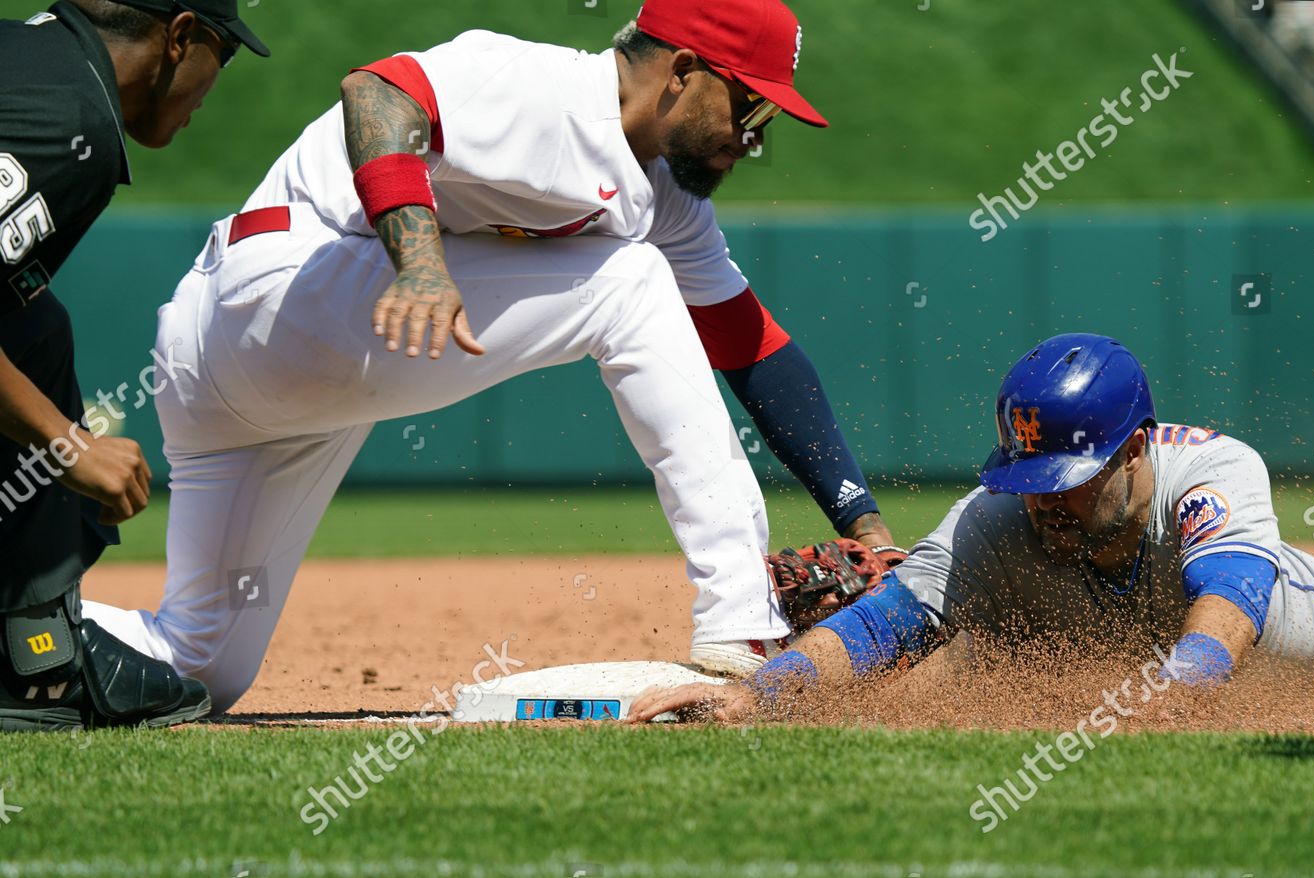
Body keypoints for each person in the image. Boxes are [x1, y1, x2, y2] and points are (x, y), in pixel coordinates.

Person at [83, 0, 902, 712]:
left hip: (252, 373)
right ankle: (740, 627)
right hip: (277, 293)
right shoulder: (539, 89)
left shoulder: (668, 200)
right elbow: (375, 90)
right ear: (684, 70)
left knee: (200, 665)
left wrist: (865, 528)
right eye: (749, 108)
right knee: (630, 283)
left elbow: (751, 347)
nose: (751, 139)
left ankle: (34, 623)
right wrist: (421, 259)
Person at [629, 333, 1314, 723]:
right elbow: (887, 621)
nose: (1044, 500)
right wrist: (759, 692)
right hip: (1176, 667)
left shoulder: (1211, 468)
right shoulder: (998, 517)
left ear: (1134, 452)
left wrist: (1176, 691)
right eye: (1029, 479)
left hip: (1296, 633)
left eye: (1068, 481)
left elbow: (1232, 599)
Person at [0, 0, 267, 730]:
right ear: (180, 37)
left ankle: (32, 646)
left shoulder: (32, 65)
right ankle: (34, 672)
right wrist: (68, 446)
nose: (214, 88)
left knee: (32, 327)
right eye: (223, 52)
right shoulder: (70, 119)